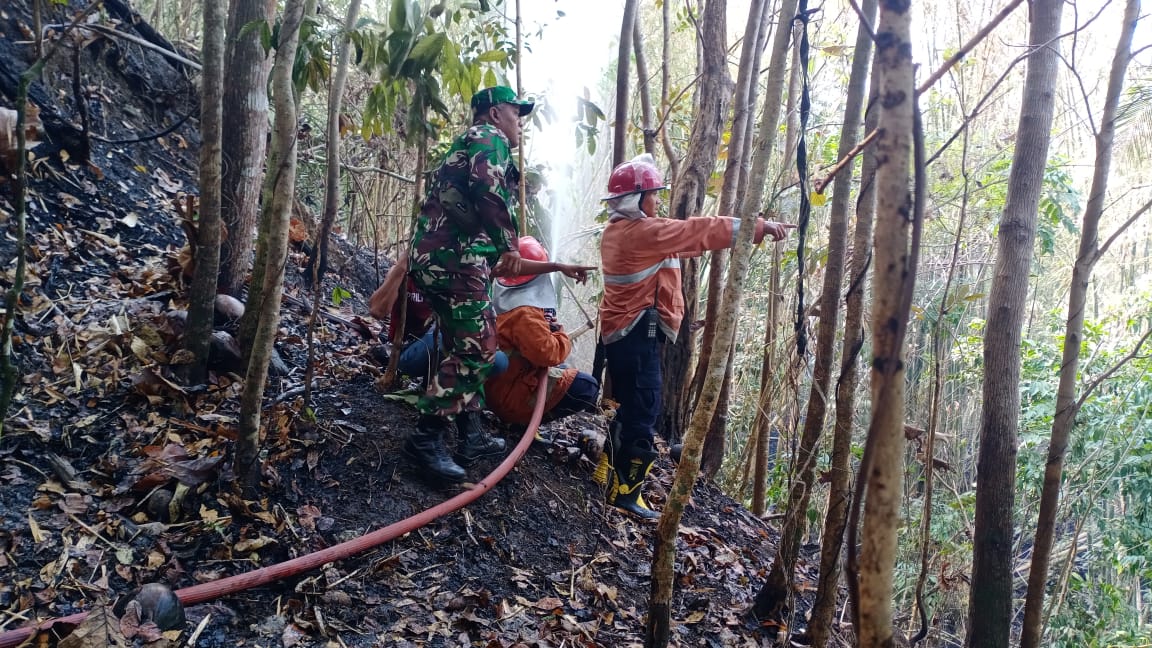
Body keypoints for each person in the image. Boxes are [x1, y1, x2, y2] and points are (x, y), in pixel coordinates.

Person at [405, 86, 593, 482]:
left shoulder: (473, 143)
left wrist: (558, 265)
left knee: (465, 346)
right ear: (493, 114)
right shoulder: (487, 139)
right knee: (478, 352)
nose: (520, 123)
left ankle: (471, 435)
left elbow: (508, 260)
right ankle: (426, 438)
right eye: (514, 113)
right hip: (454, 266)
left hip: (444, 264)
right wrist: (508, 242)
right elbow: (488, 192)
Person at [597, 153, 794, 517]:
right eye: (652, 195)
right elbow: (696, 231)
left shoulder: (620, 231)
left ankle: (606, 472)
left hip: (623, 337)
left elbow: (686, 242)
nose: (657, 201)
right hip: (637, 338)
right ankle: (627, 493)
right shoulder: (643, 233)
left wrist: (752, 231)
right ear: (635, 200)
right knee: (643, 413)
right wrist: (756, 226)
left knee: (628, 408)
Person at [486, 236, 599, 428]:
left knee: (563, 369)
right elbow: (549, 354)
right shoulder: (525, 312)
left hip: (500, 386)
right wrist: (558, 332)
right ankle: (523, 423)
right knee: (587, 387)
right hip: (510, 398)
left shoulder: (499, 300)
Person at [368, 252, 509, 382]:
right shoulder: (406, 274)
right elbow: (377, 311)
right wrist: (402, 265)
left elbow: (510, 266)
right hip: (408, 352)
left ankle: (444, 388)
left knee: (498, 360)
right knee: (444, 336)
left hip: (447, 347)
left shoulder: (457, 275)